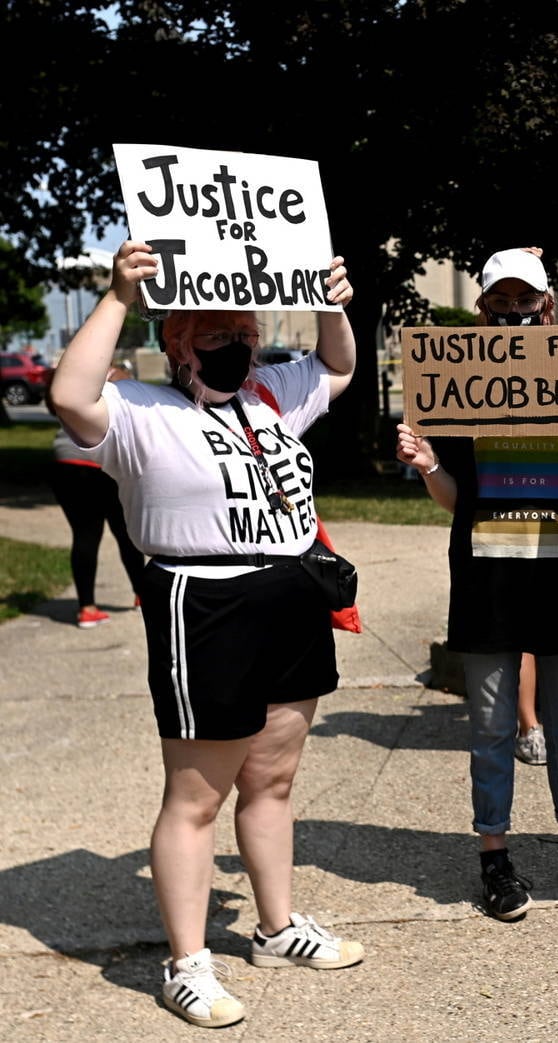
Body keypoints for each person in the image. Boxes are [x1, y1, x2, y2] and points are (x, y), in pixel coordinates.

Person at [48, 241, 364, 1029]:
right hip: (205, 602)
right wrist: (121, 294)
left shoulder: (271, 394)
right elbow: (68, 393)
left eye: (244, 330)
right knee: (197, 796)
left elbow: (340, 365)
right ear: (178, 342)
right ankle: (188, 962)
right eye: (214, 331)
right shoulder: (139, 411)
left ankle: (276, 924)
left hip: (291, 590)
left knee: (273, 780)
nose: (236, 342)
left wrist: (331, 300)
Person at [395, 247, 558, 924]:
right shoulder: (458, 385)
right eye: (503, 301)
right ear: (484, 309)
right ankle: (494, 854)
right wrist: (427, 463)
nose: (517, 312)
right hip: (489, 579)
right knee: (492, 727)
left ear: (547, 307)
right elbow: (453, 499)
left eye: (528, 301)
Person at [46, 367, 148, 627]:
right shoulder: (119, 375)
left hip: (66, 460)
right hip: (103, 463)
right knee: (125, 534)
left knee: (84, 534)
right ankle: (143, 594)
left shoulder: (75, 375)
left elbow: (52, 404)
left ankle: (87, 608)